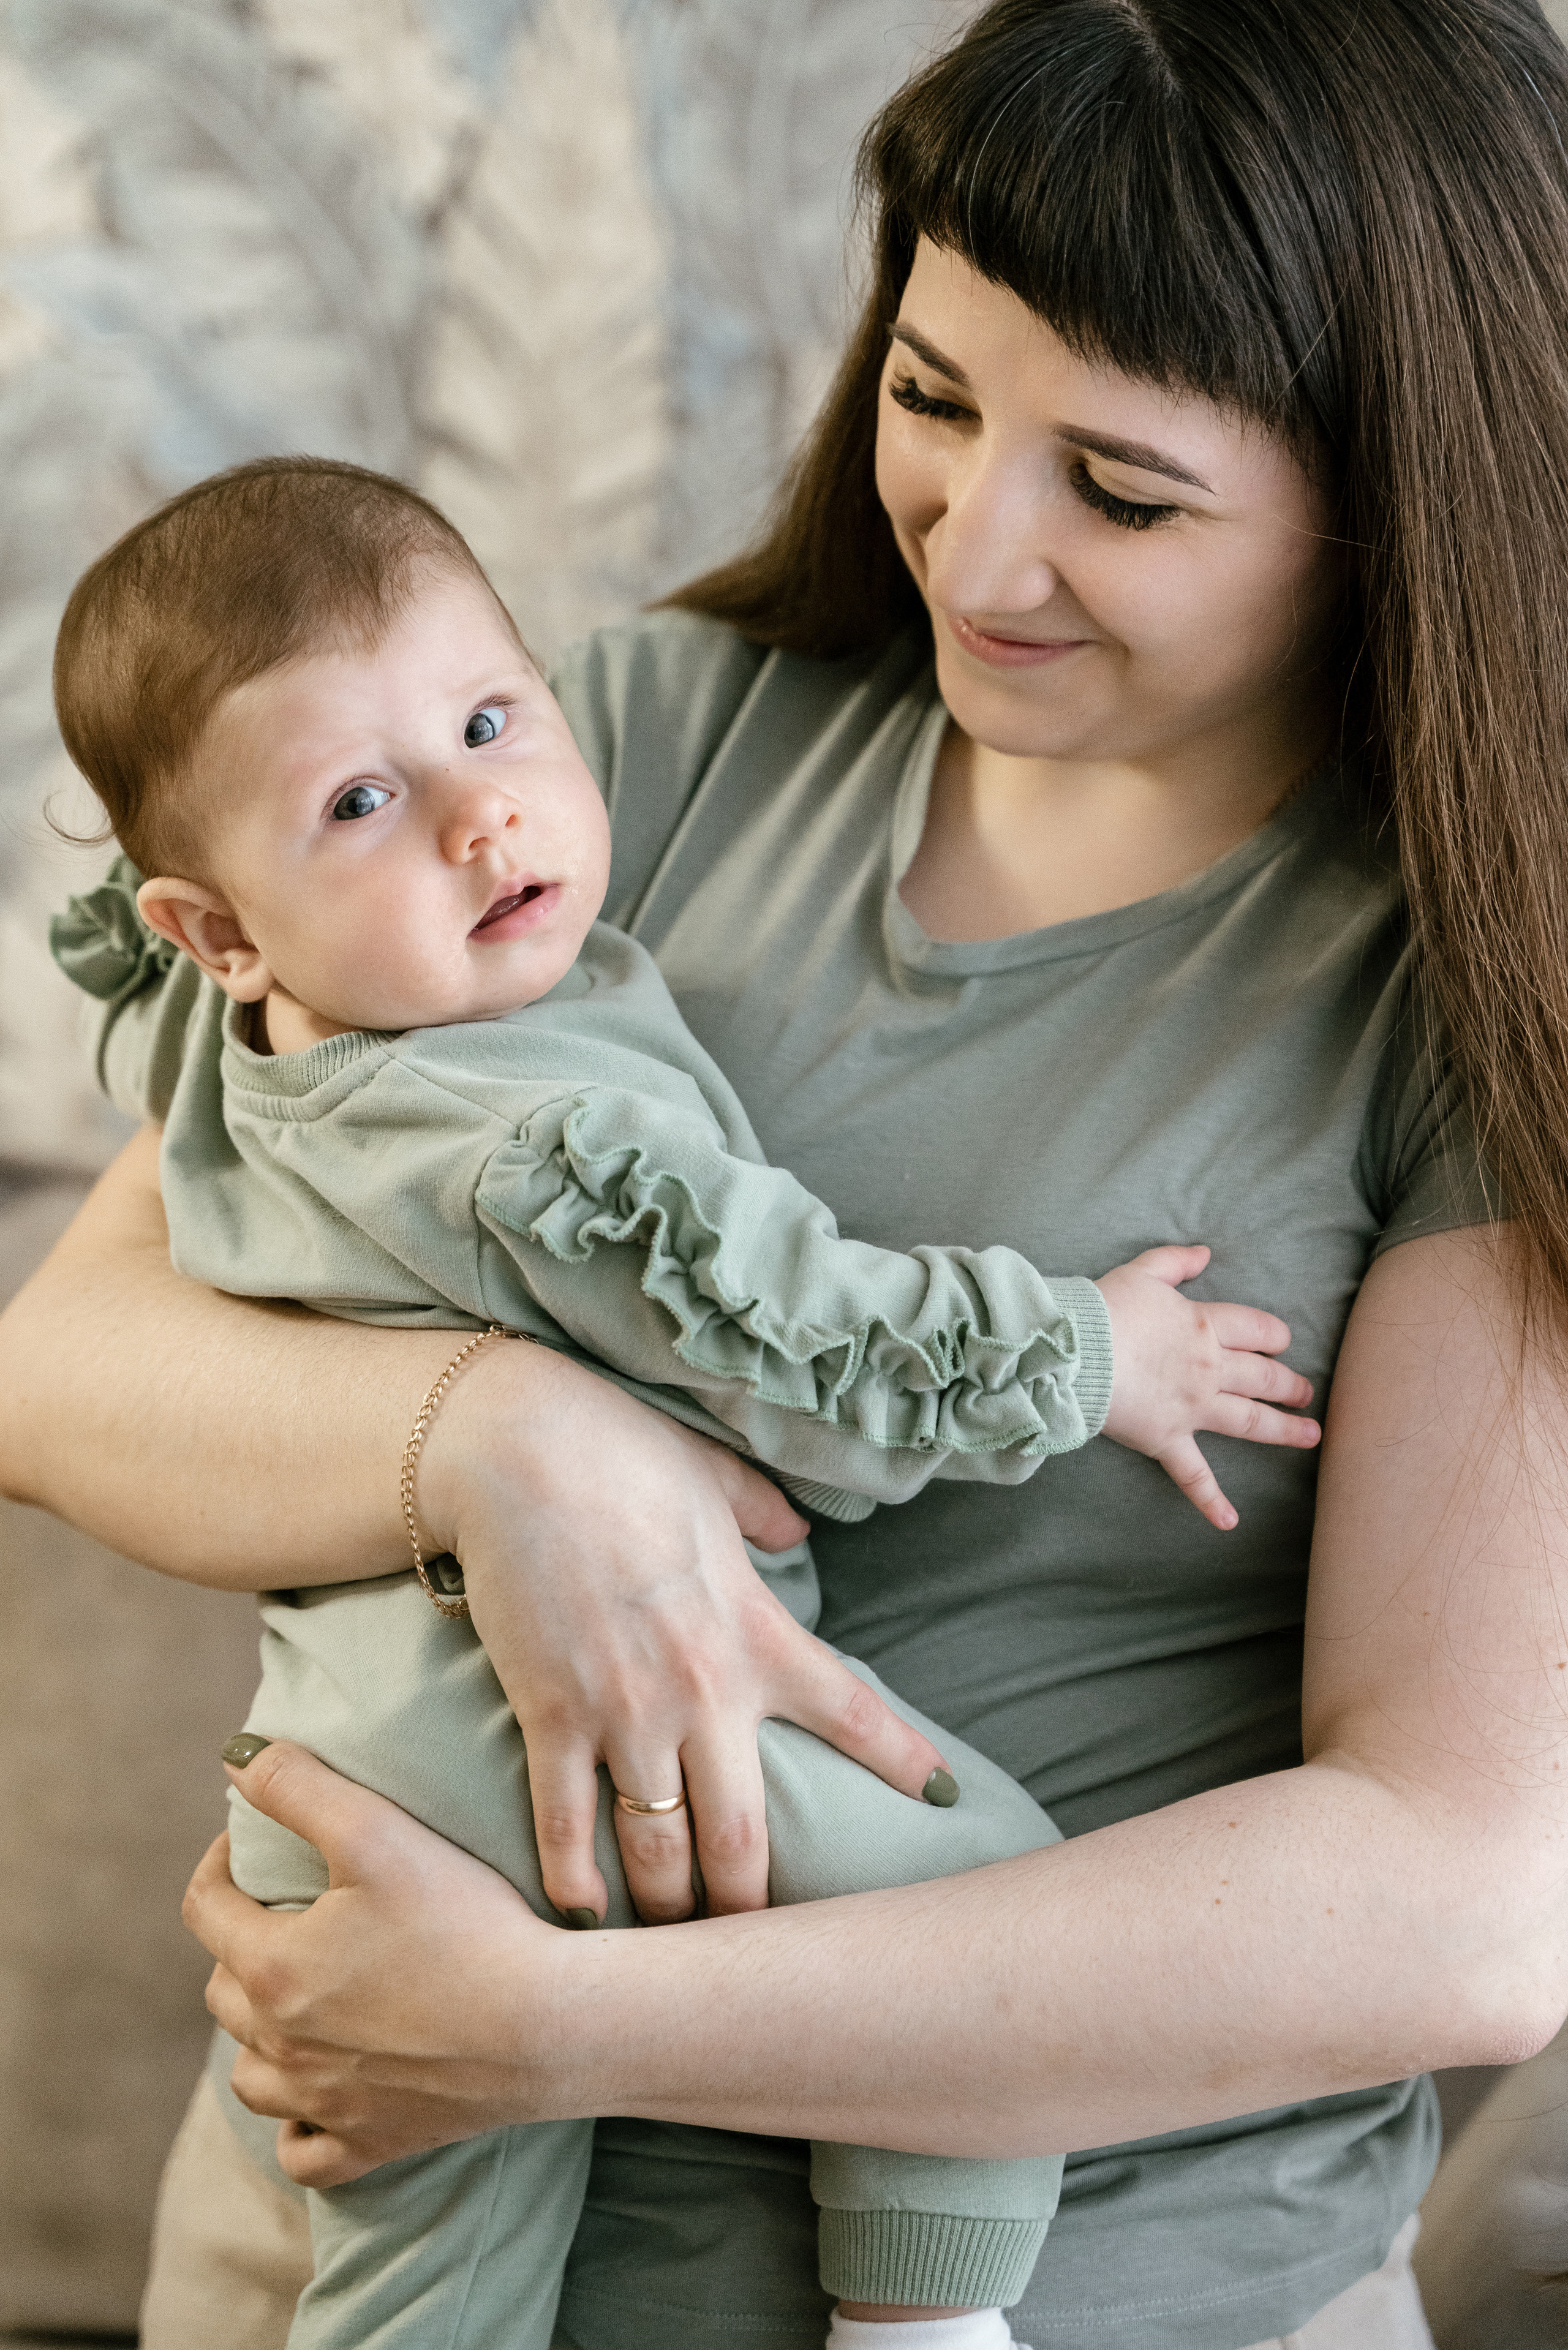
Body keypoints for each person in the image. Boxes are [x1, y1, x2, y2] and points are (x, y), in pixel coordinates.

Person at [6, 1, 1568, 2346]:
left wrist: (546, 2029)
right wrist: (515, 1444)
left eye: (1122, 492)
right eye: (935, 401)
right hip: (333, 2252)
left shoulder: (1477, 987)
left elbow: (1462, 1906)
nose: (980, 546)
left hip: (1097, 2296)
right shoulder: (595, 760)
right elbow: (67, 1368)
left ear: (1405, 490)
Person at [44, 452, 1314, 2350]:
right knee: (971, 1873)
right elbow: (805, 1356)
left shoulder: (251, 1037)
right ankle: (920, 2321)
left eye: (489, 721)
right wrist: (1085, 1357)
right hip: (547, 1767)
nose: (483, 819)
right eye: (364, 801)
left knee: (421, 2278)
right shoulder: (535, 1139)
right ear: (213, 924)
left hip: (359, 1797)